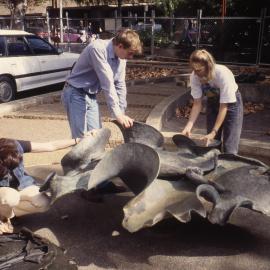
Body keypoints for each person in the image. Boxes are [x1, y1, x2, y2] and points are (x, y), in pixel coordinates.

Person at [61, 28, 142, 139]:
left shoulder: (122, 57)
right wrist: (117, 114)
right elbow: (107, 82)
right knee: (81, 139)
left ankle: (94, 157)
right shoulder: (97, 49)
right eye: (130, 53)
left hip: (91, 95)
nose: (130, 57)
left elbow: (120, 85)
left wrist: (121, 113)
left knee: (97, 137)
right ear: (120, 46)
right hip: (75, 92)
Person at [0, 135, 91, 234]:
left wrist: (77, 140)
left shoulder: (14, 145)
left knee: (43, 203)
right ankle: (3, 219)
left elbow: (50, 146)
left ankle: (8, 214)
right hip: (4, 193)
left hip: (21, 186)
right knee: (11, 197)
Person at [181, 49, 243, 154]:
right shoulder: (194, 76)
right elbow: (197, 104)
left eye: (199, 70)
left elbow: (224, 107)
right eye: (193, 69)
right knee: (212, 143)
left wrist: (214, 132)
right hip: (213, 102)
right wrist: (188, 127)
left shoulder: (222, 74)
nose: (196, 73)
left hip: (231, 105)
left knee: (230, 147)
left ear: (208, 65)